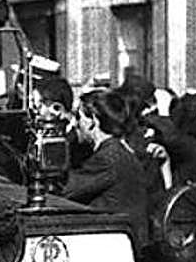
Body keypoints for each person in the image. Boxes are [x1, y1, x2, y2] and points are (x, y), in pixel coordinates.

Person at [63, 88, 149, 248]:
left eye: (78, 117)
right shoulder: (119, 152)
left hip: (115, 247)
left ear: (93, 121)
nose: (74, 124)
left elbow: (65, 191)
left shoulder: (107, 159)